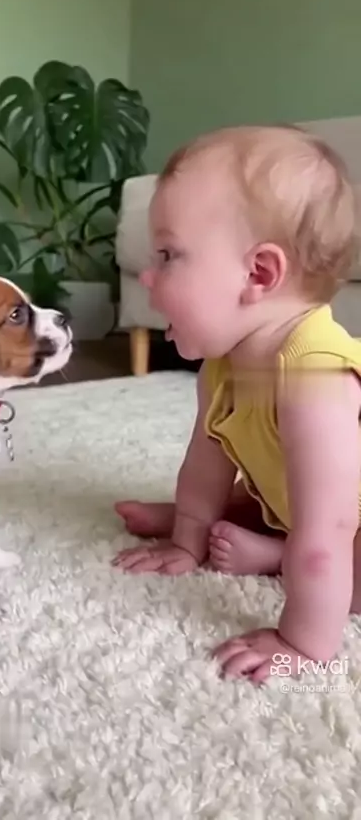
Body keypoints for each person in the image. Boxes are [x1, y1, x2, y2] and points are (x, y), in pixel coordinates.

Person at [112, 124, 361, 684]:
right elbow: (207, 460)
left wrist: (300, 645)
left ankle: (272, 554)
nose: (147, 275)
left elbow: (330, 529)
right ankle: (228, 526)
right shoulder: (225, 362)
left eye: (168, 255)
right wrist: (187, 540)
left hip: (346, 521)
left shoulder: (316, 375)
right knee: (253, 492)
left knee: (345, 560)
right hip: (302, 503)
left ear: (258, 274)